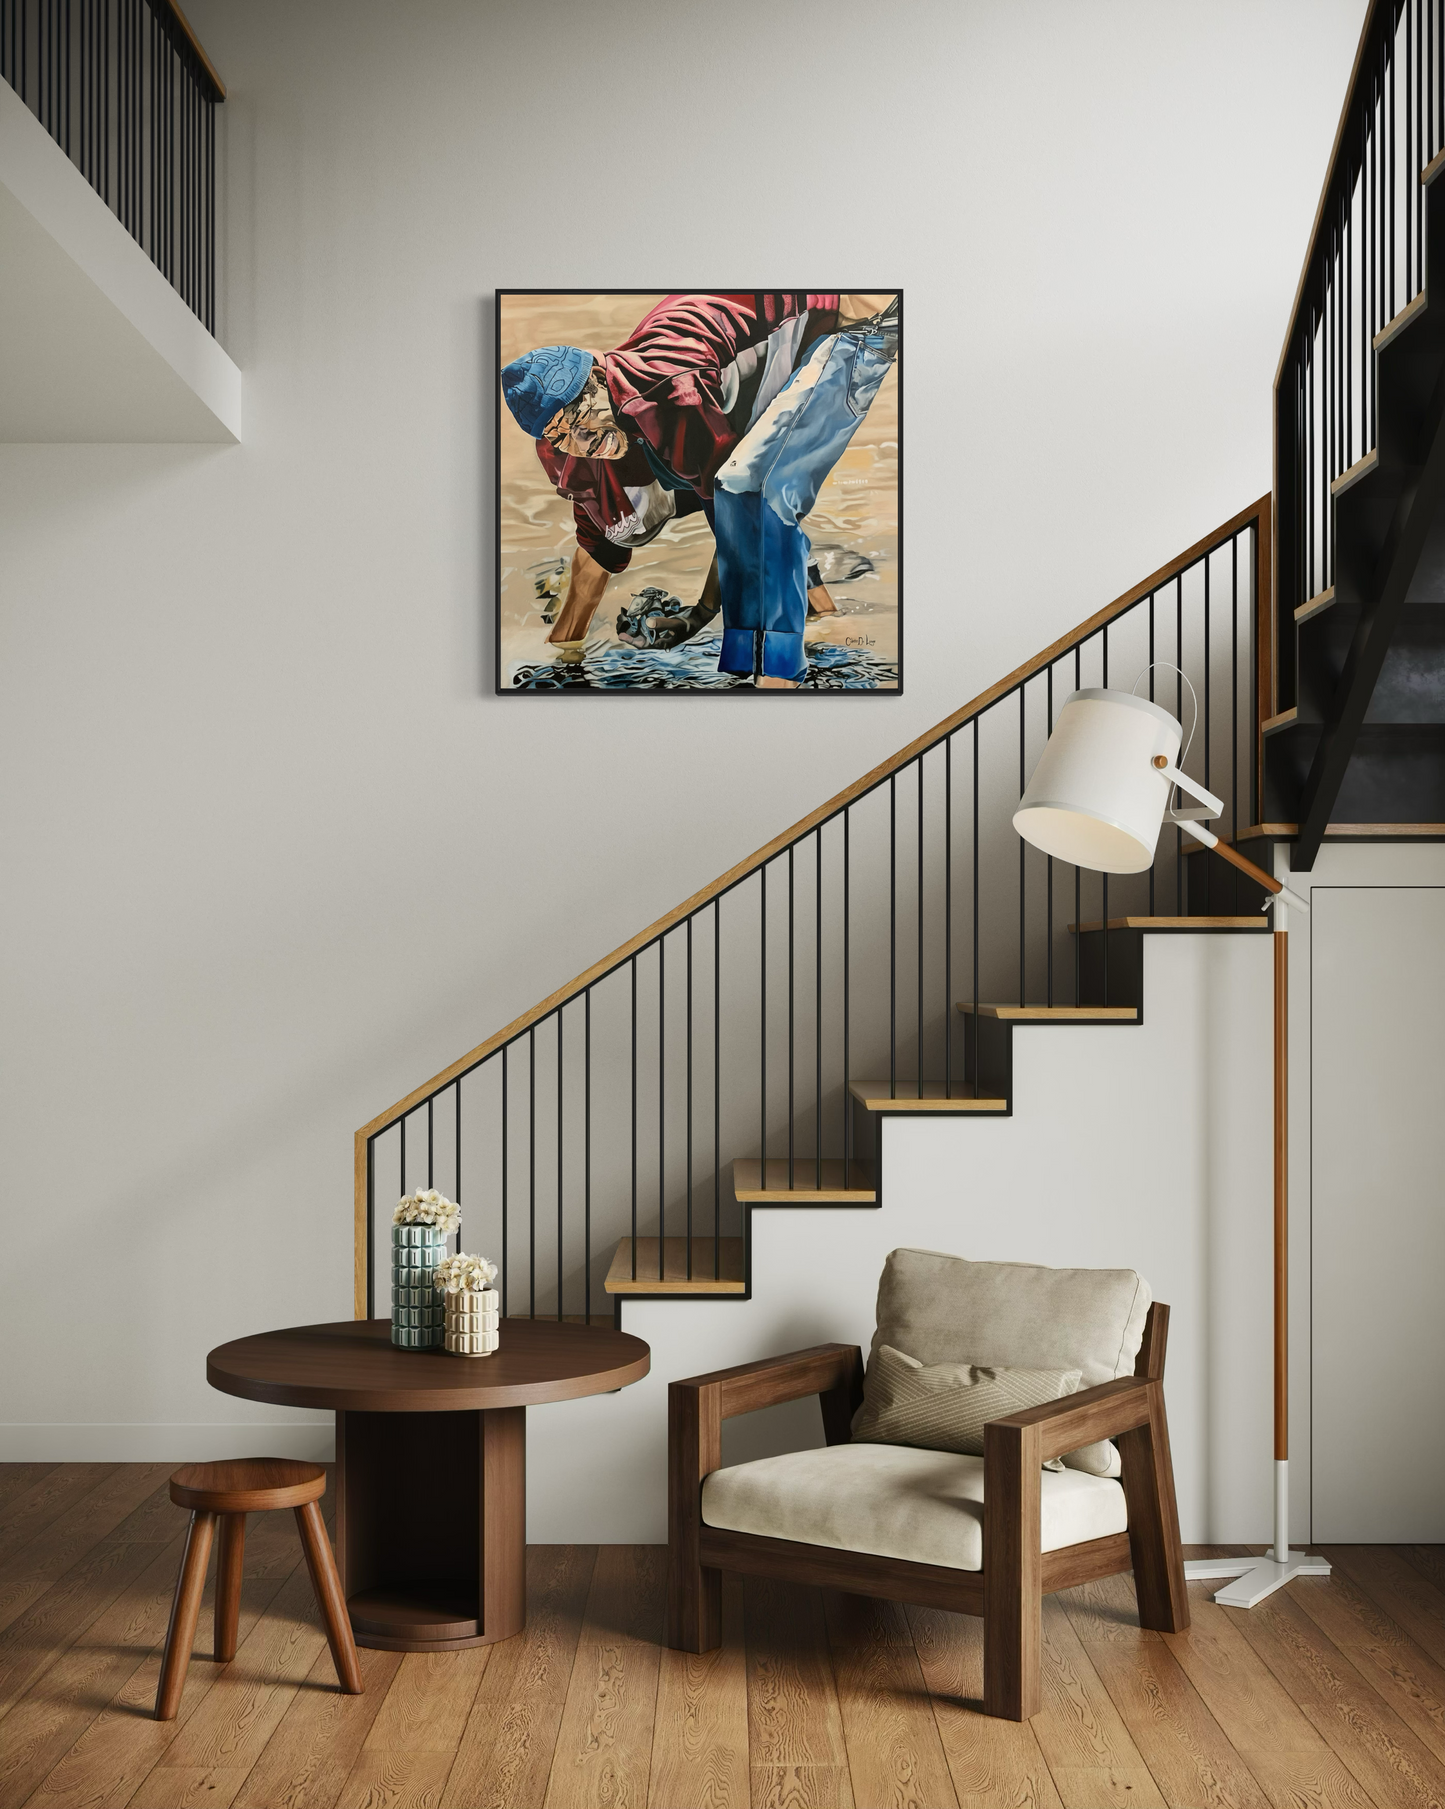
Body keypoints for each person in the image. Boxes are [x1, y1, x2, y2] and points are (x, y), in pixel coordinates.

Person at [501, 293, 897, 685]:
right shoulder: (574, 457)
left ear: (603, 380)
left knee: (745, 491)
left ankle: (777, 676)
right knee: (636, 521)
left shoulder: (671, 395)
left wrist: (700, 614)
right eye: (560, 433)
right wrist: (564, 655)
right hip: (734, 387)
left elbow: (738, 524)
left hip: (846, 325)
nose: (582, 439)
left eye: (581, 415)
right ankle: (821, 614)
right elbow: (597, 551)